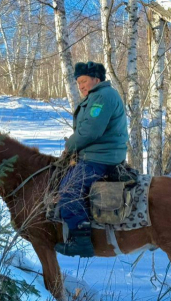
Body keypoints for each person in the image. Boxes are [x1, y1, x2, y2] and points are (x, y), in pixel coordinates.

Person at [54, 61, 128, 258]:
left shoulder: (102, 97)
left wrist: (70, 145)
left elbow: (90, 131)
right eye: (78, 82)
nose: (81, 86)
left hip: (100, 157)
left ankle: (81, 241)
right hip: (96, 154)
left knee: (69, 193)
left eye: (84, 81)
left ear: (96, 79)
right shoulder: (97, 96)